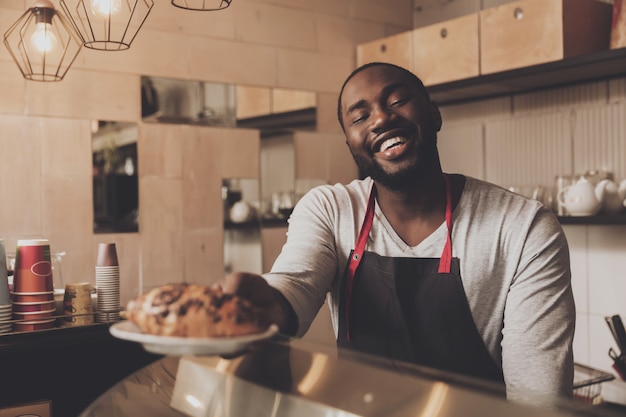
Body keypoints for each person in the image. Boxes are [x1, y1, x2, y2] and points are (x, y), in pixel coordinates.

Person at [219, 62, 575, 406]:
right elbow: (295, 282)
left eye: (397, 101)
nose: (381, 119)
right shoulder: (331, 209)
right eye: (360, 117)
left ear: (434, 115)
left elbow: (537, 400)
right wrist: (267, 307)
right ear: (351, 144)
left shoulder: (522, 227)